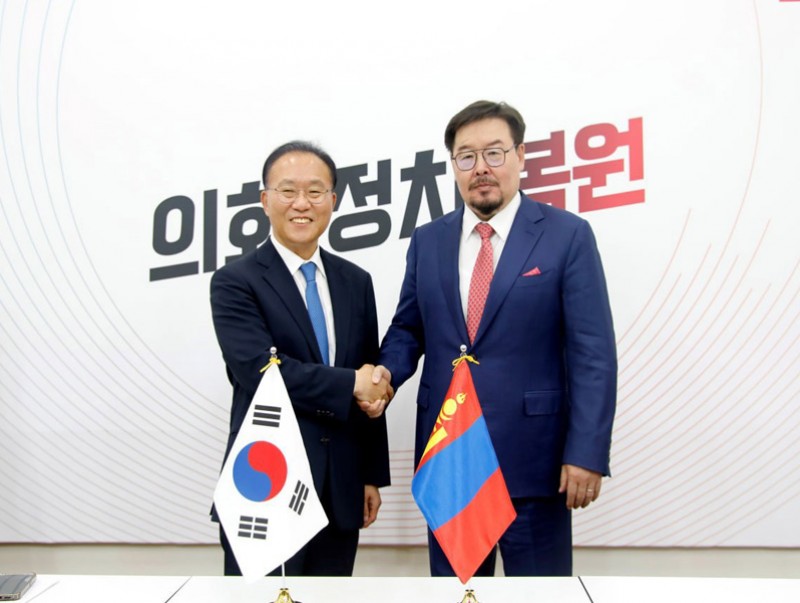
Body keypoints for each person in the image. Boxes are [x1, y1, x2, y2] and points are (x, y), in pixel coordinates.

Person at [371, 100, 617, 576]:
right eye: (466, 156)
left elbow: (593, 355)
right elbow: (408, 328)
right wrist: (385, 374)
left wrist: (586, 452)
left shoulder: (567, 235)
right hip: (451, 460)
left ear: (521, 156)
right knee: (458, 596)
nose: (480, 168)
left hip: (536, 462)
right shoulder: (428, 240)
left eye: (494, 152)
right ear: (453, 165)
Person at [210, 140, 392, 576]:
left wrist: (370, 474)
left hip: (341, 488)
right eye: (288, 190)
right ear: (264, 200)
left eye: (315, 191)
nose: (301, 204)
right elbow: (260, 372)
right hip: (265, 483)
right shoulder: (235, 281)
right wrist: (350, 383)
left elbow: (368, 373)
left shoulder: (356, 282)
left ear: (333, 200)